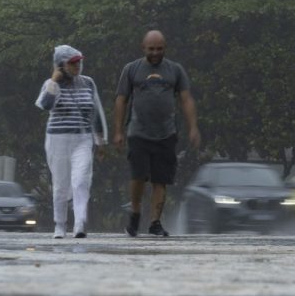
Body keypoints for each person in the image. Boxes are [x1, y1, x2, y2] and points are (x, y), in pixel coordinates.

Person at [113, 30, 200, 237]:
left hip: (166, 133)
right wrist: (118, 131)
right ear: (143, 48)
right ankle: (135, 213)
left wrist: (193, 127)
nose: (155, 53)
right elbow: (121, 99)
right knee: (138, 176)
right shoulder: (131, 69)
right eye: (151, 49)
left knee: (160, 179)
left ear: (165, 49)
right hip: (138, 132)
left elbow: (186, 99)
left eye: (159, 49)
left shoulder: (175, 70)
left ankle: (155, 222)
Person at [36, 45, 108, 239]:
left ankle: (79, 223)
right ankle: (60, 224)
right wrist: (54, 80)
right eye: (72, 63)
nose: (77, 66)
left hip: (82, 139)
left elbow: (95, 112)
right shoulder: (51, 84)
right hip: (58, 139)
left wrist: (100, 141)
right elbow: (45, 104)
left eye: (79, 62)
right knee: (60, 185)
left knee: (81, 180)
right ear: (61, 65)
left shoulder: (88, 83)